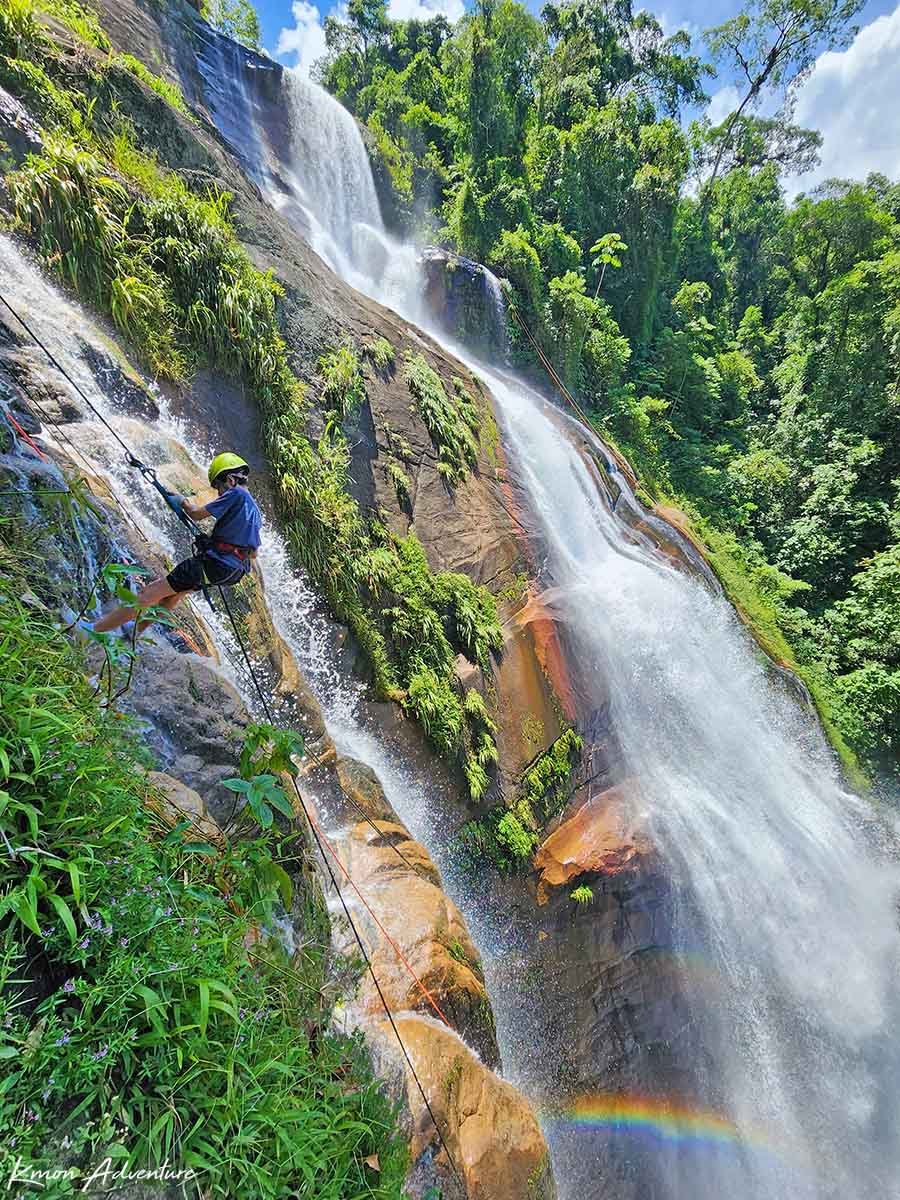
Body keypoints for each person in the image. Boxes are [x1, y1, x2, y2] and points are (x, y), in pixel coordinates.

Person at [91, 452, 261, 635]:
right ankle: (133, 634)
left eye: (218, 487)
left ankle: (95, 631)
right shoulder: (255, 510)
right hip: (234, 572)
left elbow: (195, 513)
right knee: (175, 593)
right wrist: (214, 544)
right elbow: (253, 553)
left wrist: (182, 501)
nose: (219, 493)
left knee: (149, 593)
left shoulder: (235, 494)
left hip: (215, 565)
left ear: (230, 479)